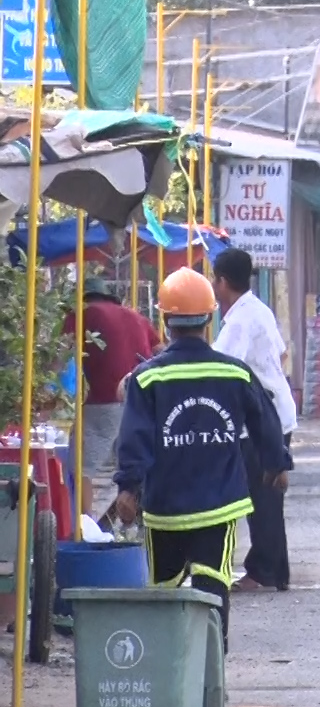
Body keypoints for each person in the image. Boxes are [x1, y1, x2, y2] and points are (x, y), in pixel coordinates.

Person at [113, 268, 292, 647]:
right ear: (209, 318)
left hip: (165, 511)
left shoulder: (147, 378)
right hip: (218, 506)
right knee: (213, 587)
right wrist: (276, 464)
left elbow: (134, 438)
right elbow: (265, 418)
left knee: (164, 591)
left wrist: (128, 488)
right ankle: (211, 673)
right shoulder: (233, 372)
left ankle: (169, 670)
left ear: (165, 320)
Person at [211, 249, 298, 592]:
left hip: (263, 420)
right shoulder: (256, 309)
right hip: (273, 414)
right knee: (268, 496)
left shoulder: (240, 320)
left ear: (222, 281)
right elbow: (280, 352)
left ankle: (263, 572)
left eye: (213, 280)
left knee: (262, 497)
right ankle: (276, 571)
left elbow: (221, 366)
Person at [63, 276, 160, 513]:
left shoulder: (83, 314)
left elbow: (58, 356)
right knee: (132, 469)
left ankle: (83, 529)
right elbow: (160, 351)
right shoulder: (136, 317)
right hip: (145, 399)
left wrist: (44, 390)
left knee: (80, 467)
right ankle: (120, 523)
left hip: (106, 401)